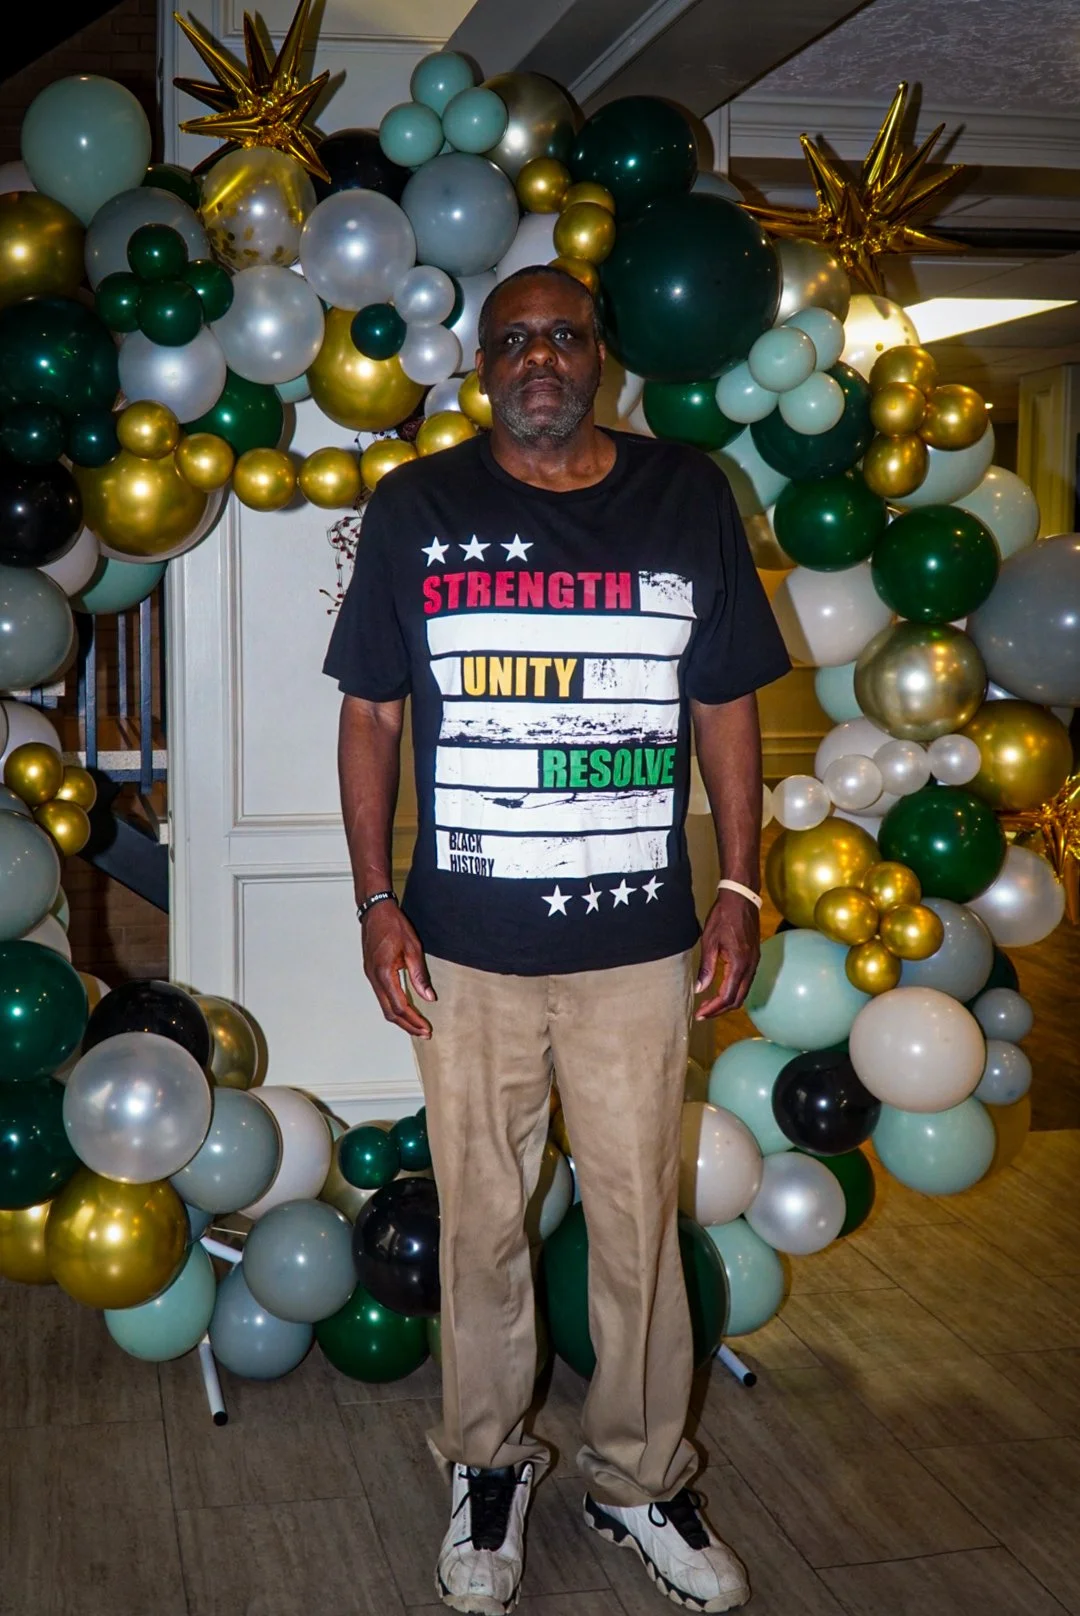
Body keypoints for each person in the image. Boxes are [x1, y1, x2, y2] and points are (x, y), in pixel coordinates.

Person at [325, 264, 790, 1615]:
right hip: (464, 944)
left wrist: (741, 884)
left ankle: (639, 1476)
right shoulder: (418, 507)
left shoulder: (685, 495)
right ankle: (486, 1466)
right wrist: (374, 900)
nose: (541, 358)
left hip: (637, 944)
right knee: (482, 1226)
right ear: (483, 366)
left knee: (641, 1222)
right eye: (514, 338)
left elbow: (725, 704)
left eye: (564, 336)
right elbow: (371, 714)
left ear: (602, 358)